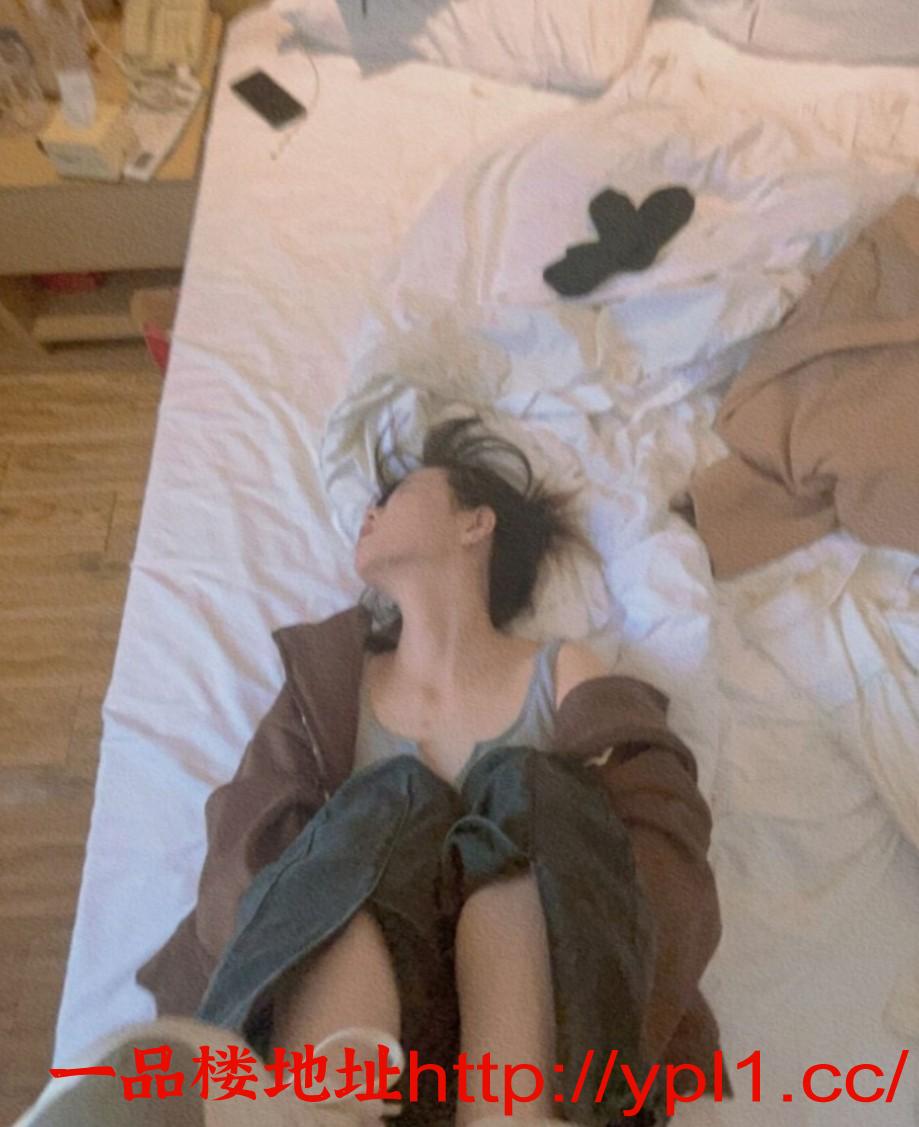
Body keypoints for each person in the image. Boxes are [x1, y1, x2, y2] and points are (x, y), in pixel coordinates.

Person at [19, 417, 727, 1127]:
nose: (368, 512)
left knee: (526, 787)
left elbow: (658, 824)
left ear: (476, 522)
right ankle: (313, 1112)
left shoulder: (561, 669)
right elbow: (246, 848)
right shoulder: (332, 681)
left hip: (534, 1037)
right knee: (389, 801)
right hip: (368, 1035)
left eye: (394, 496)